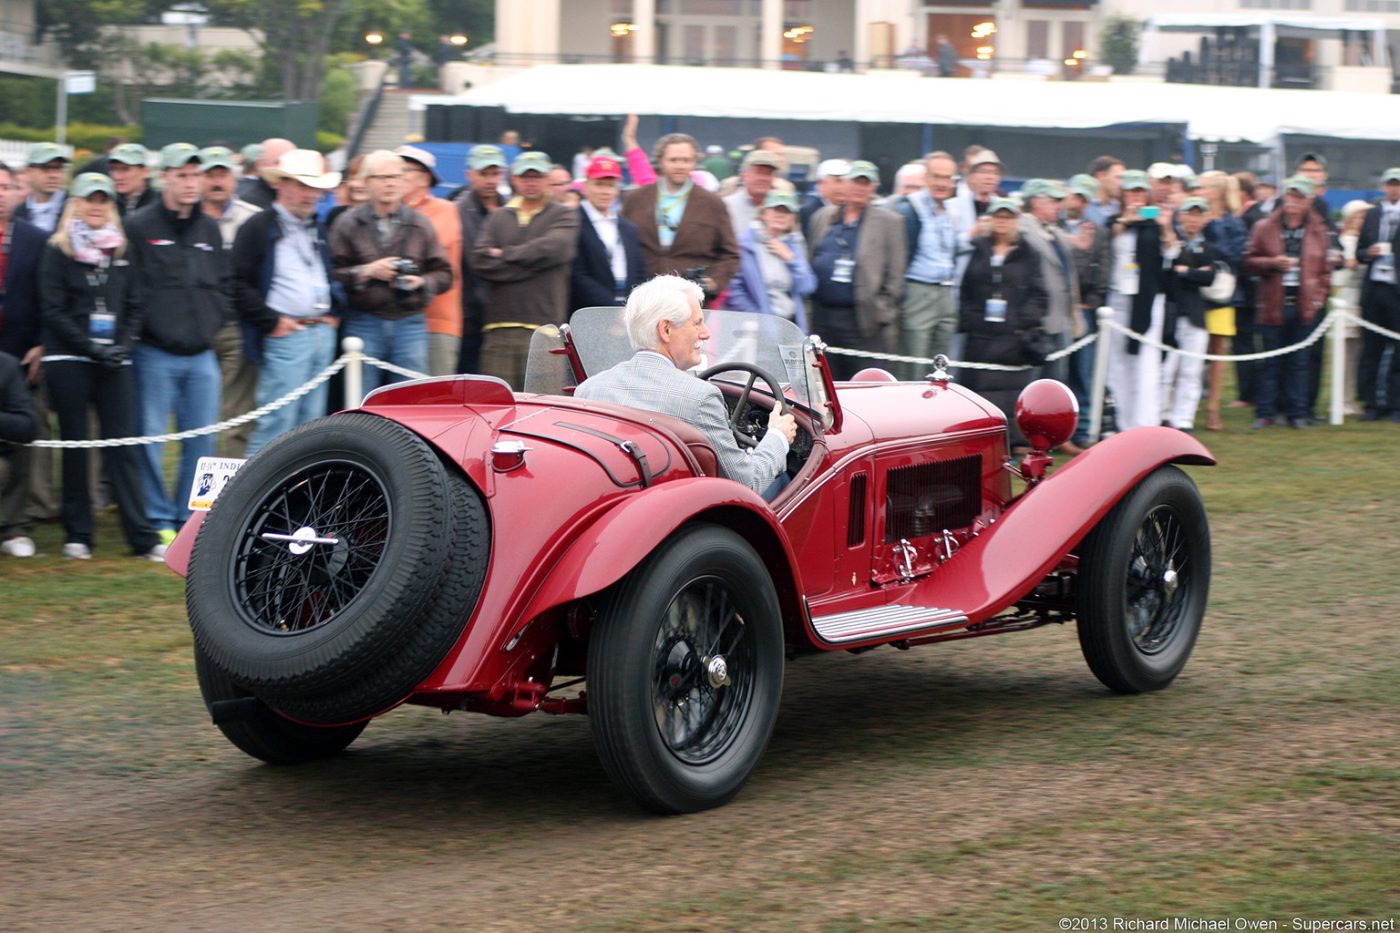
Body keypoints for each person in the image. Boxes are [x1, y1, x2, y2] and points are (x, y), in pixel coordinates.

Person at [574, 274, 796, 497]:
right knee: (786, 479)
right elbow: (748, 483)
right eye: (697, 323)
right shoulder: (700, 398)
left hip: (618, 504)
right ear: (666, 330)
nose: (706, 333)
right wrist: (777, 436)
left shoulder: (589, 390)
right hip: (692, 518)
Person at [38, 172, 164, 561]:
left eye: (103, 200)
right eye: (89, 199)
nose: (97, 206)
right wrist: (92, 347)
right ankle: (78, 533)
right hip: (70, 357)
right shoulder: (57, 250)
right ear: (75, 203)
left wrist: (121, 346)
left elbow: (136, 305)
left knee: (121, 446)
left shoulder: (121, 252)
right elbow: (54, 310)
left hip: (114, 359)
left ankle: (141, 537)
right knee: (78, 445)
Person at [125, 143, 230, 541]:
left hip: (202, 354)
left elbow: (222, 285)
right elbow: (132, 289)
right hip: (153, 352)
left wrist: (213, 323)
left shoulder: (209, 227)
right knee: (150, 440)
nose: (191, 183)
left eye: (196, 175)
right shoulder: (139, 226)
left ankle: (191, 521)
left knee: (202, 442)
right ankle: (156, 520)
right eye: (182, 175)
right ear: (164, 177)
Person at [233, 150, 342, 456]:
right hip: (288, 334)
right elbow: (237, 282)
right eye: (303, 186)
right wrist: (271, 322)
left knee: (311, 424)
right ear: (281, 185)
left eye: (315, 188)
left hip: (318, 332)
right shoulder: (258, 226)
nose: (311, 195)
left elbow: (324, 273)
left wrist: (332, 311)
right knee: (277, 422)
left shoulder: (316, 227)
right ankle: (254, 497)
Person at [329, 150, 452, 392]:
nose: (390, 183)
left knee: (410, 401)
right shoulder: (347, 223)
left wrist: (420, 282)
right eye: (382, 177)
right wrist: (368, 271)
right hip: (364, 321)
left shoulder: (419, 223)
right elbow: (332, 275)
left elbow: (445, 274)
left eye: (395, 177)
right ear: (367, 182)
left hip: (410, 323)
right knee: (361, 398)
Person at [473, 151, 579, 390]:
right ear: (514, 179)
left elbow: (556, 248)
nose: (531, 182)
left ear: (547, 178)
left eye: (537, 176)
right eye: (525, 176)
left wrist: (505, 255)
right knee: (497, 406)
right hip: (498, 330)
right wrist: (536, 263)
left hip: (544, 330)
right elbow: (480, 262)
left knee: (544, 407)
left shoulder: (564, 214)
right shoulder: (498, 216)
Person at [957, 197, 1048, 450]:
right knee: (977, 388)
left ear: (1016, 221)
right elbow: (965, 288)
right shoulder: (978, 248)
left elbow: (1039, 294)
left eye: (1007, 217)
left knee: (1011, 390)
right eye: (998, 216)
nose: (1002, 222)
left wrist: (1021, 323)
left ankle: (1014, 441)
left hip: (1013, 337)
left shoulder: (1029, 253)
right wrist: (971, 319)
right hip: (980, 334)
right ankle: (978, 438)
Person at [1242, 175, 1332, 430]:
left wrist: (1317, 299)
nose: (1293, 201)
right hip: (1273, 303)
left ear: (1308, 201)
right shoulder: (1264, 226)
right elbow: (1248, 261)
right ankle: (1265, 412)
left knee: (1300, 362)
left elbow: (1325, 270)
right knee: (1270, 362)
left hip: (1304, 305)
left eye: (1299, 197)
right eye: (1290, 195)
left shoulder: (1319, 230)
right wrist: (1272, 263)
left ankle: (1297, 413)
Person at [806, 161, 907, 380]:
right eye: (856, 182)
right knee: (824, 381)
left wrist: (881, 310)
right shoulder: (822, 217)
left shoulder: (890, 222)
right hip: (823, 316)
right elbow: (811, 255)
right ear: (845, 185)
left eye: (866, 183)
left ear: (873, 188)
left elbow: (896, 275)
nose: (860, 188)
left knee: (863, 381)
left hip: (862, 320)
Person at [620, 133, 739, 302]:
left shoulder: (712, 203)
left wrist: (715, 282)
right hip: (642, 296)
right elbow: (620, 245)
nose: (680, 166)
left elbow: (730, 253)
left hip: (690, 300)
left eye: (686, 160)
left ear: (695, 162)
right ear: (660, 161)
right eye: (673, 160)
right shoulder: (636, 199)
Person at [199, 145, 263, 458]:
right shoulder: (185, 218)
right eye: (209, 175)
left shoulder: (252, 220)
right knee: (199, 417)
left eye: (222, 175)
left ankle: (232, 494)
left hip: (236, 326)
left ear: (234, 180)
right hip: (193, 330)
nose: (216, 182)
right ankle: (196, 494)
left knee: (238, 414)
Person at [0, 160, 50, 558]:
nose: (1, 193)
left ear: (20, 192)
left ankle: (15, 525)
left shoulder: (36, 239)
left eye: (6, 186)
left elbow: (47, 297)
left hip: (19, 357)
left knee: (21, 438)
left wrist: (40, 343)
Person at [1105, 169, 1178, 432]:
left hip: (1147, 298)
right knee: (1117, 363)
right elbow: (1104, 248)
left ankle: (1145, 423)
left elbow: (1171, 252)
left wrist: (1165, 225)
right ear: (1123, 194)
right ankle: (1121, 422)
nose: (1135, 197)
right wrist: (1123, 222)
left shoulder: (1154, 219)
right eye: (1130, 191)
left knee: (1146, 362)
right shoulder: (1115, 221)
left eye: (1139, 191)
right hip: (1118, 296)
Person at [894, 150, 965, 376]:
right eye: (937, 176)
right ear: (926, 178)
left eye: (948, 178)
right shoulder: (909, 209)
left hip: (946, 292)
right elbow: (900, 256)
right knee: (914, 364)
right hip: (918, 291)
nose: (943, 183)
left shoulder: (952, 210)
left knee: (940, 364)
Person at [396, 145, 464, 376]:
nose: (396, 176)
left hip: (438, 321)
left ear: (425, 178)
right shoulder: (392, 212)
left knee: (436, 397)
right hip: (398, 319)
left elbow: (421, 254)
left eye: (404, 170)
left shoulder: (444, 210)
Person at [1160, 197, 1221, 432]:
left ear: (1205, 219)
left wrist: (1185, 270)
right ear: (1180, 216)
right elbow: (1169, 273)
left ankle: (1183, 418)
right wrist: (1193, 270)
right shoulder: (1171, 241)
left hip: (1195, 315)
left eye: (1199, 215)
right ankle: (1161, 413)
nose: (1193, 220)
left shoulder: (1209, 247)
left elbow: (1210, 276)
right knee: (1167, 370)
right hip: (1172, 313)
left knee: (1191, 371)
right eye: (1189, 214)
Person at [1196, 170, 1248, 432]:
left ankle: (1213, 409)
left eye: (1203, 187)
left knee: (1218, 350)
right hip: (1193, 290)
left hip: (1221, 294)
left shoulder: (1232, 223)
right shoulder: (1192, 213)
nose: (1198, 191)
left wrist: (1210, 228)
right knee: (1192, 349)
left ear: (1216, 192)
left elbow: (1233, 255)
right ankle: (1188, 403)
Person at [1017, 179, 1080, 389]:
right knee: (1032, 384)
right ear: (1036, 202)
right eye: (1053, 201)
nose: (1058, 206)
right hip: (1039, 322)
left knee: (1056, 385)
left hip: (1060, 320)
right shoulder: (1023, 230)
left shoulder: (1054, 233)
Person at [726, 191, 816, 329]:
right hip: (754, 327)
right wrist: (759, 319)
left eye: (786, 211)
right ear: (764, 213)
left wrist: (791, 259)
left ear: (793, 218)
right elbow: (734, 290)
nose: (780, 215)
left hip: (790, 325)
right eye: (775, 209)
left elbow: (807, 287)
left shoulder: (795, 245)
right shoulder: (744, 244)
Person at [453, 144, 507, 373]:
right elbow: (476, 260)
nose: (490, 180)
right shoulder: (458, 209)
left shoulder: (511, 207)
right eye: (483, 174)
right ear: (469, 174)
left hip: (502, 313)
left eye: (494, 173)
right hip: (470, 315)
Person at [1354, 167, 1400, 422]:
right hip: (1374, 289)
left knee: (1398, 350)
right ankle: (1371, 403)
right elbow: (1359, 252)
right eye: (1391, 184)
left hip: (1397, 291)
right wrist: (1366, 254)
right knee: (1371, 349)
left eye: (1398, 184)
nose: (1394, 188)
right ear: (1384, 186)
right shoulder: (1372, 214)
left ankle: (1396, 404)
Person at [570, 155, 646, 310]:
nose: (605, 191)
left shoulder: (628, 228)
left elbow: (638, 272)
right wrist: (613, 308)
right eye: (599, 184)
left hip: (626, 311)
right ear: (585, 187)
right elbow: (577, 275)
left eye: (610, 185)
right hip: (587, 312)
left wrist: (630, 307)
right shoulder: (574, 222)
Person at [1334, 199, 1370, 417]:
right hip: (1347, 302)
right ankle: (1340, 399)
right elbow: (1338, 277)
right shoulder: (1346, 241)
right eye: (1359, 216)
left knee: (1356, 356)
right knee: (1344, 356)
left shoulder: (1365, 242)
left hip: (1362, 301)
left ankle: (1348, 397)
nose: (1363, 220)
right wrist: (1352, 266)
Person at [723, 149, 782, 241]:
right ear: (744, 175)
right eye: (758, 172)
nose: (763, 178)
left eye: (768, 173)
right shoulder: (725, 206)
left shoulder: (784, 210)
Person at [14, 142, 70, 234]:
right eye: (45, 168)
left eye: (59, 168)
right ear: (28, 172)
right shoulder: (18, 213)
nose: (54, 175)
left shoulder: (75, 209)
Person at [236, 138, 295, 210]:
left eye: (291, 164)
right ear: (259, 165)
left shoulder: (306, 198)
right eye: (277, 163)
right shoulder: (248, 205)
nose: (285, 170)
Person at [799, 158, 849, 240]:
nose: (844, 187)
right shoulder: (808, 212)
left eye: (846, 182)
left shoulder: (850, 211)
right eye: (838, 181)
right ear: (822, 183)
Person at [107, 143, 157, 217]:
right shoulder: (106, 203)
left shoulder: (160, 205)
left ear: (145, 172)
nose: (117, 177)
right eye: (113, 169)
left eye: (125, 169)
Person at [1084, 155, 1125, 227]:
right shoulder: (1083, 207)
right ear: (1101, 176)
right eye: (1118, 177)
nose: (1122, 183)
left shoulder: (1121, 207)